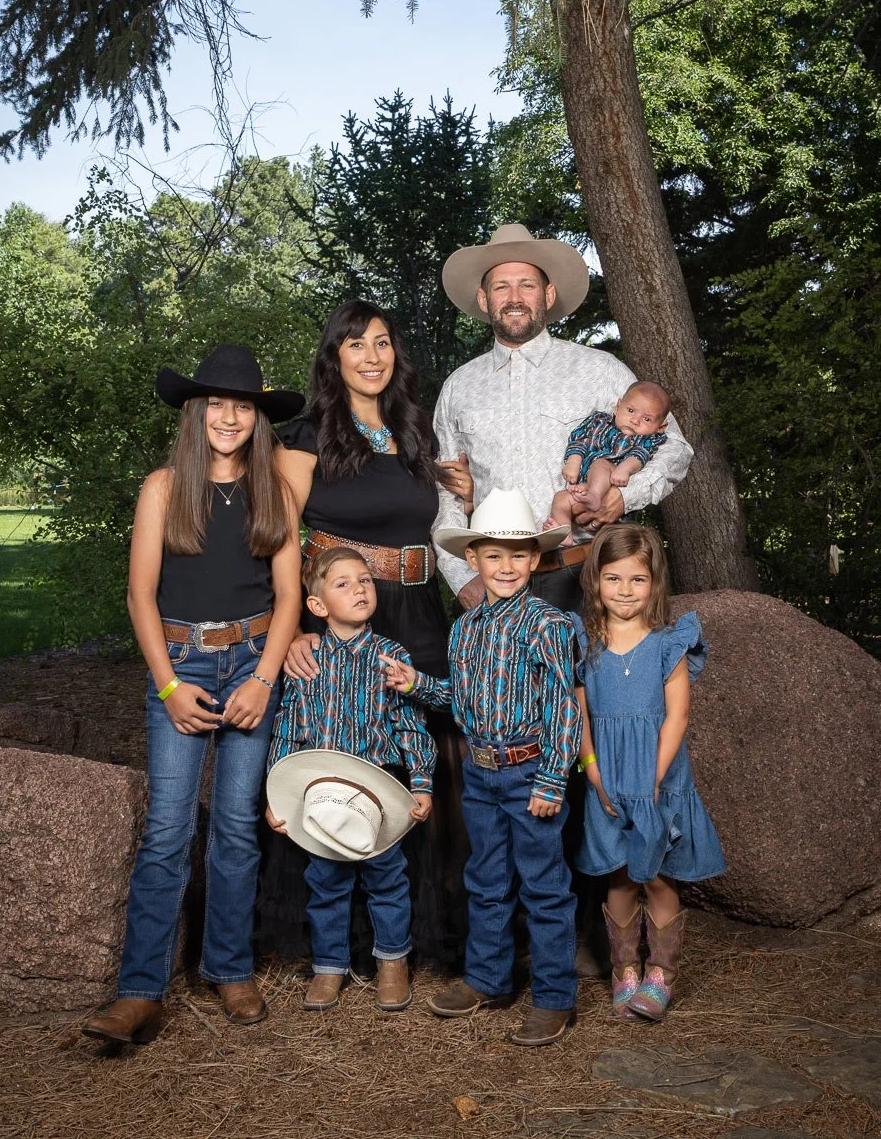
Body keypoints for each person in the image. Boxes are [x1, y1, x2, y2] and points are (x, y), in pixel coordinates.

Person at [82, 345, 303, 1046]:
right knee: (168, 829)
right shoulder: (163, 488)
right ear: (195, 412)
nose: (230, 417)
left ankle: (229, 968)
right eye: (217, 405)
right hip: (180, 663)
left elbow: (290, 596)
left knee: (236, 825)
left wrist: (264, 679)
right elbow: (140, 595)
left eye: (243, 407)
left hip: (253, 664)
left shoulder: (274, 493)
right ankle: (139, 990)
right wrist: (169, 686)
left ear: (258, 419)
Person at [269, 300, 468, 970]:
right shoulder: (305, 437)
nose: (372, 356)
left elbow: (441, 522)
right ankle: (341, 941)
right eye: (356, 344)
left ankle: (418, 935)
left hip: (420, 611)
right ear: (335, 357)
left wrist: (464, 490)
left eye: (382, 343)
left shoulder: (416, 434)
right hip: (340, 615)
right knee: (341, 754)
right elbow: (280, 543)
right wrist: (295, 629)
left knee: (422, 750)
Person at [388, 489, 583, 1048]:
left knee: (544, 886)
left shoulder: (549, 624)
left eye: (518, 554)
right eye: (493, 555)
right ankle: (488, 978)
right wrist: (416, 684)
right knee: (486, 879)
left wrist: (552, 778)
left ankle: (554, 998)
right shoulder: (464, 628)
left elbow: (563, 704)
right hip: (479, 774)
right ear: (472, 558)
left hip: (530, 773)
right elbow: (462, 699)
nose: (506, 566)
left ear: (536, 559)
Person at [434, 223, 693, 614]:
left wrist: (623, 496)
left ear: (548, 295)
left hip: (588, 573)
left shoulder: (599, 370)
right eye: (501, 287)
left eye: (527, 285)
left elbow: (674, 446)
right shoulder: (459, 386)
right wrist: (460, 576)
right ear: (484, 299)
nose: (514, 298)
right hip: (498, 581)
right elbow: (445, 489)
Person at [265, 546, 435, 1012]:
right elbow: (289, 727)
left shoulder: (390, 655)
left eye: (365, 580)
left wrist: (421, 781)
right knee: (326, 881)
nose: (359, 589)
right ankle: (328, 966)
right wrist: (276, 794)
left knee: (388, 878)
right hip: (321, 794)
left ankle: (393, 961)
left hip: (378, 790)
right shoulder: (307, 659)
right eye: (343, 584)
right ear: (317, 605)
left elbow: (409, 724)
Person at [575, 524, 726, 1020]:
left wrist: (653, 779)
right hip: (608, 779)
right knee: (620, 878)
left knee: (658, 877)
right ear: (595, 581)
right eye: (613, 578)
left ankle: (662, 975)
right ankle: (624, 970)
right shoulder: (583, 643)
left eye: (637, 579)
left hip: (657, 779)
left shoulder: (668, 644)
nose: (625, 590)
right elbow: (580, 716)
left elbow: (677, 716)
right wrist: (592, 771)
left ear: (654, 583)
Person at [546, 382, 671, 538]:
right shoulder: (599, 422)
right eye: (631, 411)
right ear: (617, 407)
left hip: (613, 482)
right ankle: (563, 534)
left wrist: (625, 469)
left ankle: (594, 496)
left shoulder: (647, 439)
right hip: (586, 485)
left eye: (646, 419)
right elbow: (580, 440)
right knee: (561, 498)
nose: (635, 420)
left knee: (600, 464)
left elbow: (639, 455)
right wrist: (573, 461)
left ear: (660, 427)